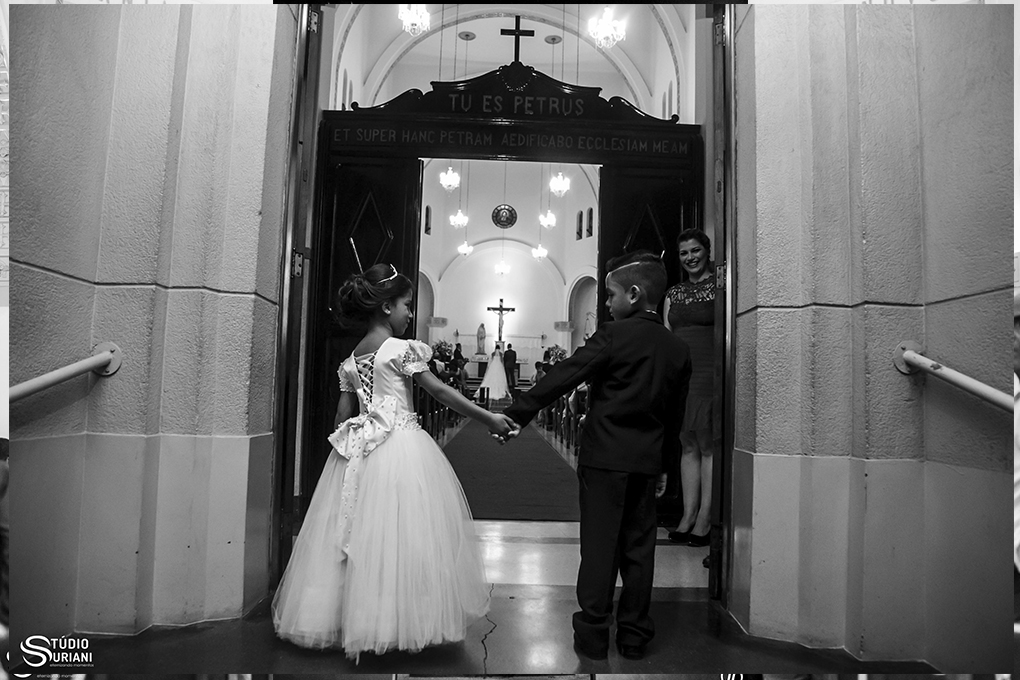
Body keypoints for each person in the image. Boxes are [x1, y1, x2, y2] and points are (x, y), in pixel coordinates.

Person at [272, 263, 517, 661]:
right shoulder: (401, 350)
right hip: (402, 448)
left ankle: (356, 617)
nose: (410, 313)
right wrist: (488, 417)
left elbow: (341, 417)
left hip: (361, 453)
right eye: (406, 304)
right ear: (387, 307)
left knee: (360, 535)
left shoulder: (352, 359)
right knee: (405, 536)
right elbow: (438, 392)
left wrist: (357, 440)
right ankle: (400, 620)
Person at [501, 250, 691, 661]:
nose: (605, 304)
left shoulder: (612, 335)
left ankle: (592, 635)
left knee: (600, 546)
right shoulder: (677, 348)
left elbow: (567, 373)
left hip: (604, 459)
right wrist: (665, 467)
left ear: (635, 295)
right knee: (640, 550)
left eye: (610, 295)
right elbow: (674, 417)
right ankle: (635, 636)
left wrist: (518, 414)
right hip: (646, 461)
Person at [663, 228, 718, 548]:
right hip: (682, 377)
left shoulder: (719, 288)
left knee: (708, 444)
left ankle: (705, 519)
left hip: (710, 374)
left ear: (707, 251)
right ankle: (687, 515)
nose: (690, 257)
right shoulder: (674, 293)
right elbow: (667, 337)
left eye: (695, 250)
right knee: (686, 445)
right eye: (684, 253)